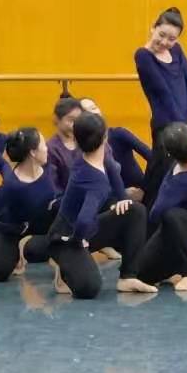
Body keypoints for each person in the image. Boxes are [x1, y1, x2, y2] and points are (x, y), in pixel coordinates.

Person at [44, 112, 158, 299]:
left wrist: (122, 198)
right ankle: (64, 270)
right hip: (65, 239)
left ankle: (128, 276)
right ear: (105, 137)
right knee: (89, 288)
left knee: (135, 210)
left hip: (83, 229)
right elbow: (83, 220)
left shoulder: (93, 155)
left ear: (76, 140)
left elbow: (113, 170)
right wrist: (78, 241)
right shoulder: (95, 182)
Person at [135, 7, 187, 210]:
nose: (165, 42)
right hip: (167, 126)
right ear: (153, 28)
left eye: (171, 39)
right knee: (162, 176)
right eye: (161, 35)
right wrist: (183, 128)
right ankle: (150, 217)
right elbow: (163, 93)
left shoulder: (177, 50)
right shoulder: (143, 56)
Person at [134, 123, 187, 291]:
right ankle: (178, 263)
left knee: (172, 215)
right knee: (140, 272)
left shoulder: (179, 183)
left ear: (169, 154)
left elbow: (155, 214)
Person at [0, 128, 61, 282]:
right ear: (33, 152)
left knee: (36, 251)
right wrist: (14, 230)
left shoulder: (50, 167)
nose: (47, 148)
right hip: (11, 228)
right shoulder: (12, 185)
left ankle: (29, 248)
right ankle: (12, 248)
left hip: (39, 224)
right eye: (43, 144)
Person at [81, 97, 151, 201]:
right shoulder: (83, 150)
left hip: (140, 192)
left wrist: (144, 188)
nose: (93, 113)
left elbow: (153, 158)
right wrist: (120, 193)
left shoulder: (119, 134)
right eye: (86, 112)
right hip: (111, 201)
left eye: (94, 108)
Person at [45, 95, 85, 193]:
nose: (75, 125)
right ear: (56, 119)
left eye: (78, 120)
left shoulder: (85, 141)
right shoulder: (50, 149)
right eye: (71, 120)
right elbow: (54, 186)